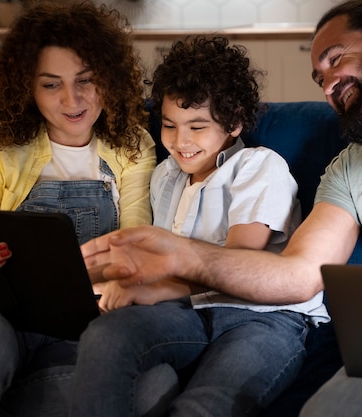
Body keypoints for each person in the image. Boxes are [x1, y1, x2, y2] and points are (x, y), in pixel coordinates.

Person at [77, 1, 362, 416]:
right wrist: (182, 256)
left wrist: (180, 263)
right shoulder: (350, 169)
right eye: (319, 77)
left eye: (336, 60)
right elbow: (298, 275)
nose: (328, 86)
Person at [0, 3, 156, 417]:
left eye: (86, 80)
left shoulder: (134, 145)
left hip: (80, 323)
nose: (72, 99)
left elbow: (134, 258)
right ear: (27, 87)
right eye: (50, 84)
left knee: (151, 389)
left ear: (109, 79)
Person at [69, 34, 328, 417]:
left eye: (197, 126)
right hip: (190, 311)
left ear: (235, 121)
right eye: (170, 125)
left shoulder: (258, 167)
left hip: (263, 318)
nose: (180, 142)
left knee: (203, 406)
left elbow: (239, 260)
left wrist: (154, 291)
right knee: (108, 337)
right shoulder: (165, 176)